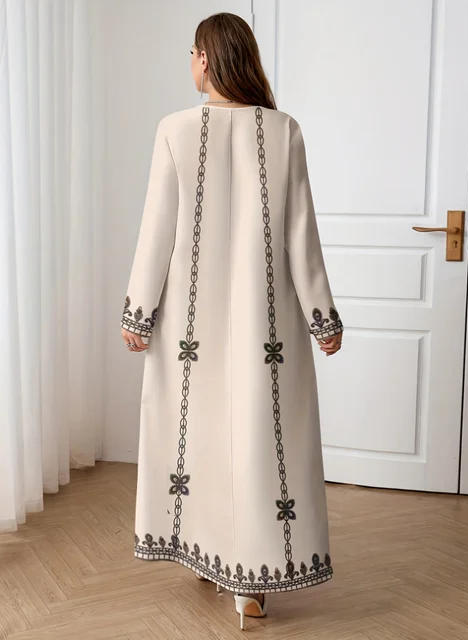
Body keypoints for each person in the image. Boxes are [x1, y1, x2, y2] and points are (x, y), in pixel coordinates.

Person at [120, 12, 343, 631]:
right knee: (259, 441)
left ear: (206, 59)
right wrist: (323, 317)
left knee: (200, 437)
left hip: (188, 329)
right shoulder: (284, 130)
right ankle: (249, 583)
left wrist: (138, 310)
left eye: (192, 53)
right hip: (265, 326)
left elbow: (156, 232)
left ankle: (219, 560)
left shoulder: (175, 129)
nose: (189, 63)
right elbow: (302, 236)